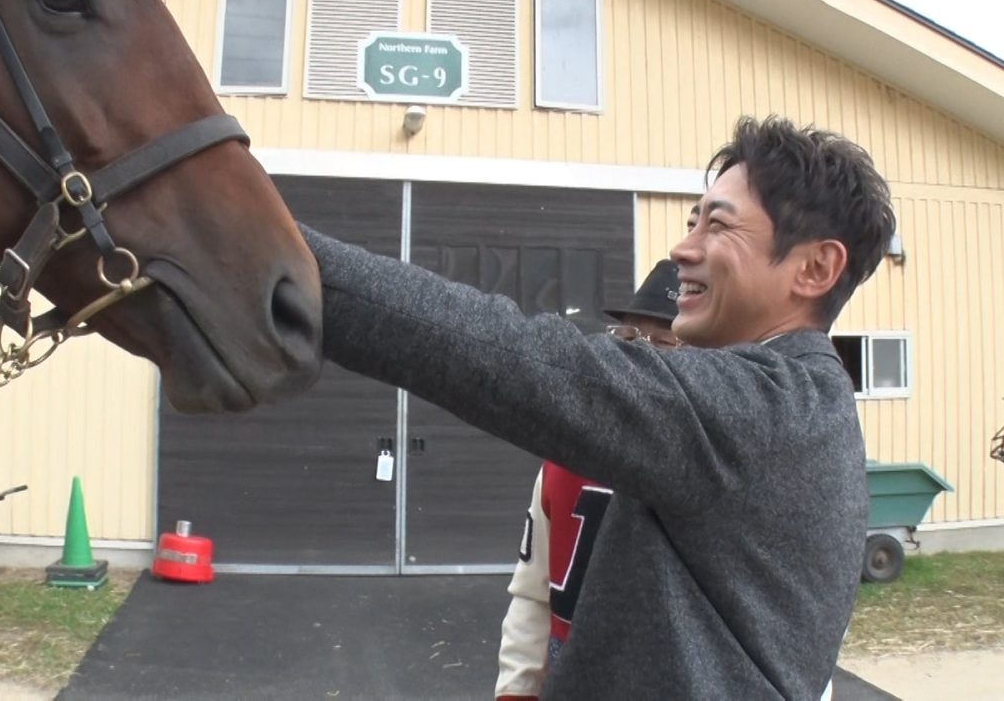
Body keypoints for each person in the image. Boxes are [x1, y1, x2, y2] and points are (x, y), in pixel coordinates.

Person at [299, 115, 894, 698]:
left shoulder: (770, 407)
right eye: (693, 220)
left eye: (719, 225)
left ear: (816, 268)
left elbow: (521, 362)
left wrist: (293, 268)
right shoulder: (801, 401)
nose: (683, 248)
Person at [494, 260, 682, 701]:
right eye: (630, 337)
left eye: (665, 342)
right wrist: (515, 691)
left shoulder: (709, 471)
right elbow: (531, 595)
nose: (642, 353)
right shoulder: (564, 456)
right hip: (570, 670)